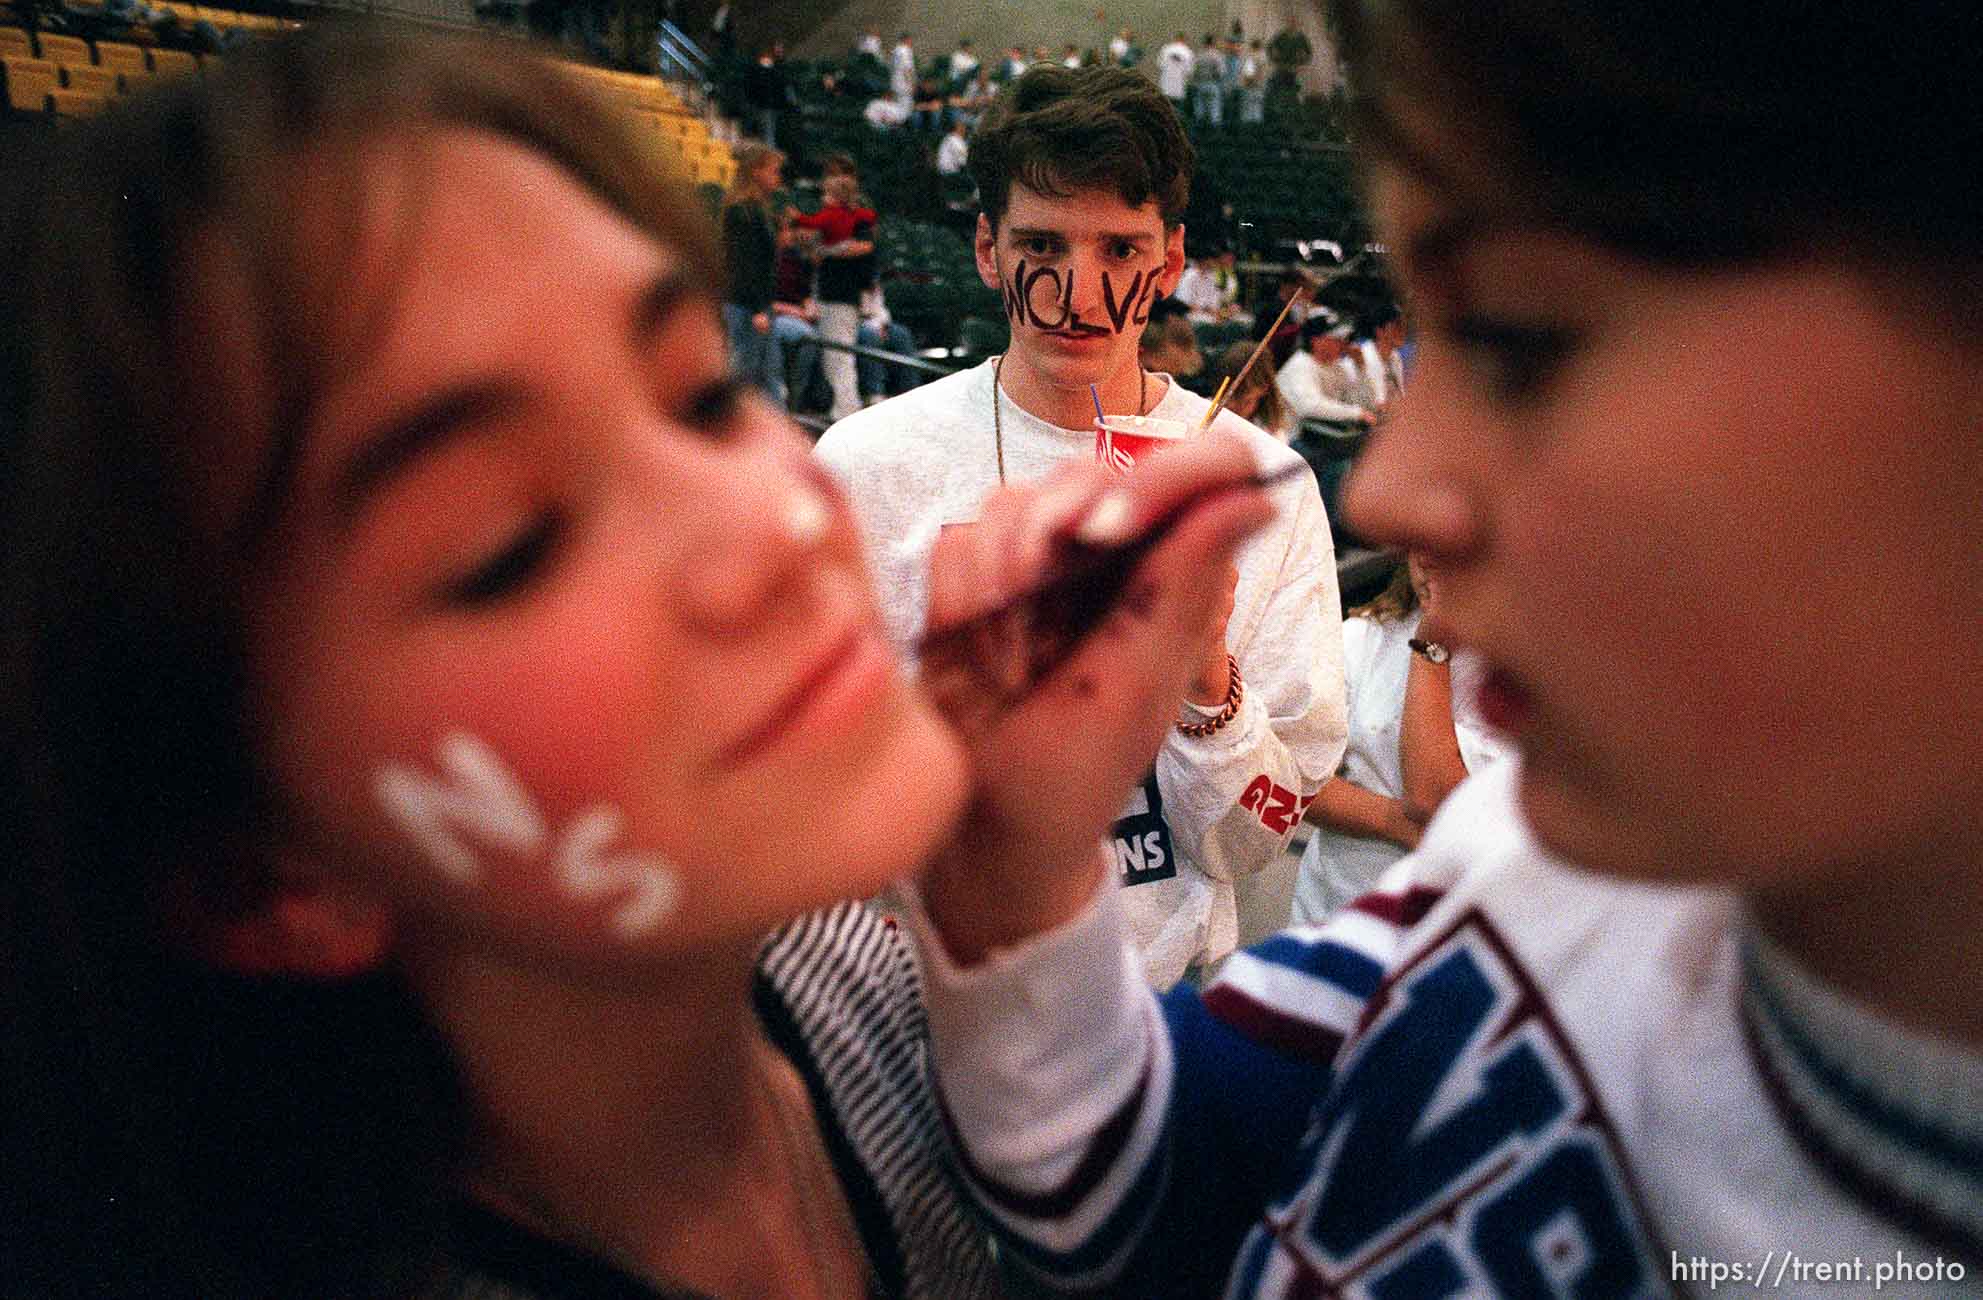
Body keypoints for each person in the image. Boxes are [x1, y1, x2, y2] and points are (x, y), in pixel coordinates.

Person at [0, 21, 1284, 1299]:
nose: (778, 527)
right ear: (264, 875)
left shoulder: (872, 991)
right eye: (509, 543)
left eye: (700, 398)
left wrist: (1018, 876)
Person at [890, 0, 1983, 1294]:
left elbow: (1261, 821)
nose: (1389, 492)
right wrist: (1014, 871)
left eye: (1518, 342)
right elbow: (1103, 1175)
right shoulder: (1510, 875)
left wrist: (1201, 700)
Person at [815, 64, 1347, 989]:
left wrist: (1202, 674)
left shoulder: (1263, 488)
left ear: (1172, 263)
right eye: (1042, 244)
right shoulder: (865, 468)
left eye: (1120, 251)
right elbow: (812, 803)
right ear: (987, 249)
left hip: (1160, 1010)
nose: (1077, 292)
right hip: (918, 1003)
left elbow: (1254, 842)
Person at [1291, 554, 1509, 923]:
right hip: (1331, 913)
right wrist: (1393, 821)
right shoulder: (1363, 636)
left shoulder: (1530, 671)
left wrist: (1431, 646)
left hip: (1447, 931)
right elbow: (1288, 779)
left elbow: (1434, 801)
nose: (1427, 554)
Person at [791, 172, 878, 421]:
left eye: (828, 194)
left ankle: (845, 412)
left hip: (840, 298)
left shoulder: (853, 223)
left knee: (838, 358)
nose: (823, 198)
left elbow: (860, 249)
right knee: (837, 358)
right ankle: (845, 409)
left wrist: (824, 250)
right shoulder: (839, 224)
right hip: (837, 297)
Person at [720, 141, 788, 403]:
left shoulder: (758, 210)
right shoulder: (742, 211)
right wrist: (758, 308)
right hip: (747, 304)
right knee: (744, 375)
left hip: (758, 303)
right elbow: (744, 264)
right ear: (756, 172)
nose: (777, 177)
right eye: (773, 171)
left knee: (769, 374)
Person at [1277, 308, 1377, 427]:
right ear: (1316, 341)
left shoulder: (1337, 366)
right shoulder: (1299, 365)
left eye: (1343, 338)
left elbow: (1366, 405)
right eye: (1337, 338)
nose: (1344, 343)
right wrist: (1356, 413)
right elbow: (1309, 406)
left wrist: (1360, 367)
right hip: (1288, 437)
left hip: (1319, 435)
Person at [1208, 339, 1293, 441]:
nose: (1232, 405)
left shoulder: (1271, 435)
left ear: (1264, 388)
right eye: (1227, 398)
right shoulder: (1201, 411)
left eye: (1245, 401)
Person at [1156, 31, 1192, 106]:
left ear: (1175, 38)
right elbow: (1189, 71)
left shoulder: (1166, 49)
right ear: (1184, 39)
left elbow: (1159, 64)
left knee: (1165, 107)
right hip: (1179, 86)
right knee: (1177, 109)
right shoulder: (1188, 52)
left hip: (1165, 84)